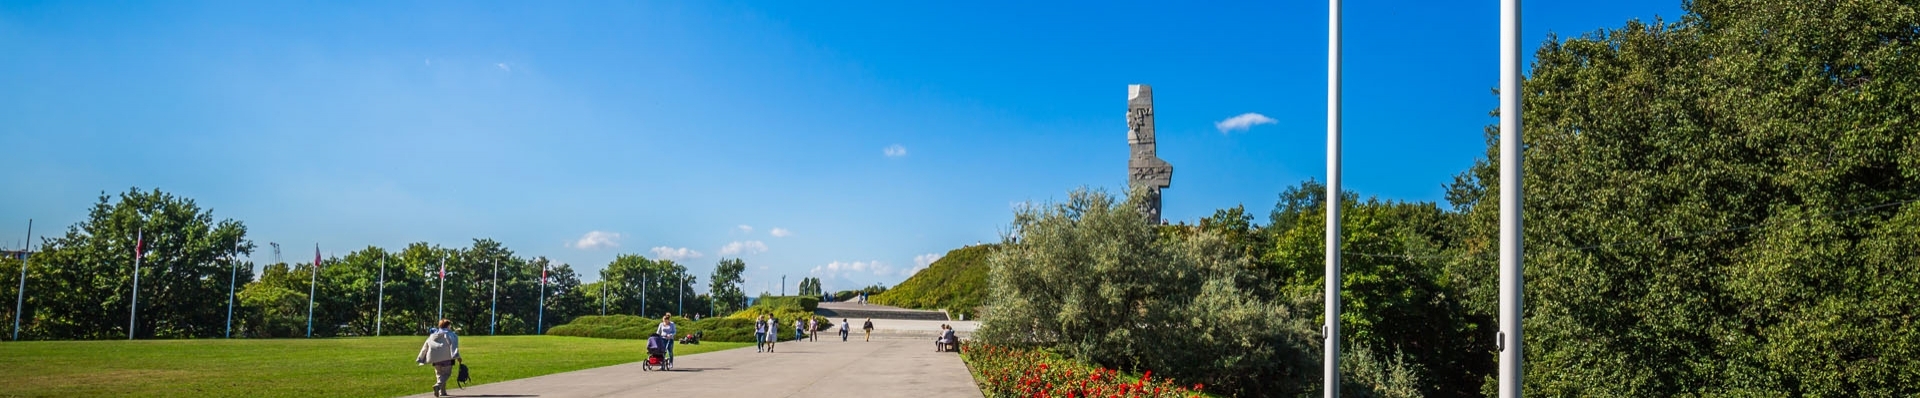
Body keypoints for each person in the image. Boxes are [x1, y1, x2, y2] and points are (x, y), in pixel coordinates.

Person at [415, 319, 462, 397]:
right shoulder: (451, 334)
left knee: (439, 374)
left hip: (434, 358)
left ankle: (442, 392)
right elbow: (453, 346)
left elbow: (425, 346)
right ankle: (438, 385)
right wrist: (457, 356)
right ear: (448, 326)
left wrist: (421, 357)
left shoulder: (433, 335)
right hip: (447, 357)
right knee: (447, 373)